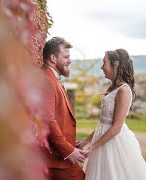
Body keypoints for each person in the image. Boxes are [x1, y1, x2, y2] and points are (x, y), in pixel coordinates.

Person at [77, 49, 146, 180]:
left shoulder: (123, 91)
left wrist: (91, 148)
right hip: (101, 141)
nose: (102, 67)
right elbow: (104, 123)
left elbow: (116, 127)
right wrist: (85, 142)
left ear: (116, 64)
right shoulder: (113, 87)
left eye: (104, 62)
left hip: (113, 144)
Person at [39, 37, 86, 180]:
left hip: (57, 156)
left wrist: (71, 142)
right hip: (56, 159)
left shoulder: (50, 78)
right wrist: (68, 150)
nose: (70, 60)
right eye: (66, 56)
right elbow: (48, 120)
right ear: (53, 58)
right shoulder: (46, 80)